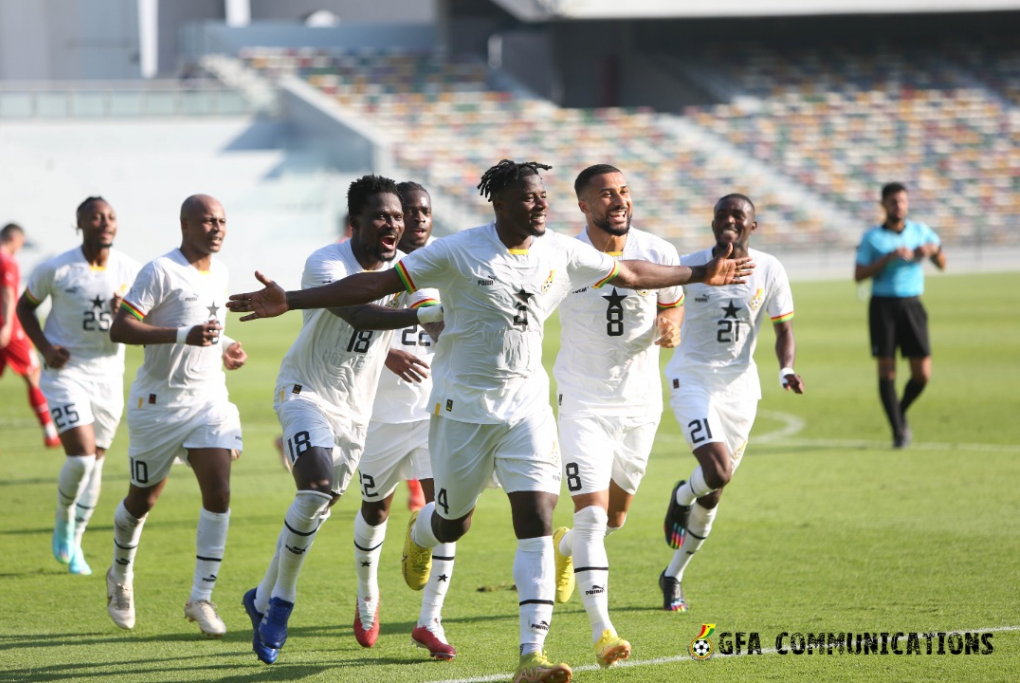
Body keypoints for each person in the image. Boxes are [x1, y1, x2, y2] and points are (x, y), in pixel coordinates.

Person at [228, 159, 754, 683]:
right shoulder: (457, 250)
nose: (541, 204)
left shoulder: (561, 251)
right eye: (529, 197)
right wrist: (291, 300)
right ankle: (423, 532)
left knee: (538, 521)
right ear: (499, 205)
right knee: (454, 521)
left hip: (527, 409)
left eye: (544, 196)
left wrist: (700, 272)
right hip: (462, 411)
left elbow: (635, 273)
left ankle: (533, 655)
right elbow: (374, 287)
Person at [242, 175, 443, 665]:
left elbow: (429, 313)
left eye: (397, 216)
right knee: (312, 488)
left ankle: (261, 596)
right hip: (305, 391)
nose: (393, 223)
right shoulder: (326, 262)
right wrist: (419, 317)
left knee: (318, 509)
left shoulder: (407, 268)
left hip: (357, 411)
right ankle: (282, 605)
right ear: (355, 222)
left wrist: (443, 321)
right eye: (381, 215)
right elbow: (358, 312)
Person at [551, 165, 683, 667]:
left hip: (641, 404)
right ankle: (603, 630)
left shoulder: (659, 252)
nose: (619, 201)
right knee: (591, 516)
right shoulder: (566, 257)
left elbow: (673, 304)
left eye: (624, 191)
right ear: (584, 205)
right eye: (606, 194)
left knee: (616, 518)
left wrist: (669, 325)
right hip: (582, 401)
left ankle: (565, 548)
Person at [105, 194, 248, 637]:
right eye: (209, 221)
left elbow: (209, 326)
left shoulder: (220, 272)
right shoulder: (159, 270)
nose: (218, 228)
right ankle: (120, 575)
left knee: (219, 490)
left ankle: (201, 597)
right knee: (142, 500)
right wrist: (184, 335)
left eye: (222, 221)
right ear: (186, 224)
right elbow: (122, 327)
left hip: (208, 400)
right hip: (158, 404)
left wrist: (226, 347)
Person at [660, 194, 804, 613]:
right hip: (693, 378)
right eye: (721, 214)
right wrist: (664, 327)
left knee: (715, 492)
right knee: (717, 469)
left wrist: (785, 369)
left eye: (738, 216)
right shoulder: (691, 266)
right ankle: (683, 494)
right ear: (713, 222)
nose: (729, 220)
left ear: (752, 226)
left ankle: (673, 575)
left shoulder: (770, 268)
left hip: (740, 388)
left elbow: (783, 329)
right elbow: (659, 306)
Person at [352, 181, 455, 659]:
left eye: (424, 211)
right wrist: (388, 351)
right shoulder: (375, 266)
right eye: (407, 211)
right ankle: (367, 595)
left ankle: (430, 620)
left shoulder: (451, 262)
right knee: (375, 509)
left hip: (436, 413)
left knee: (449, 513)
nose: (416, 219)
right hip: (380, 415)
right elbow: (347, 317)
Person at [16, 198, 141, 575]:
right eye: (96, 216)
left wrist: (129, 311)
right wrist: (44, 347)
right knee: (82, 456)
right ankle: (63, 519)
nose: (105, 222)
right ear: (80, 223)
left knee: (97, 463)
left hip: (108, 376)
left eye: (111, 217)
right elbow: (25, 307)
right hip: (66, 373)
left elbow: (145, 316)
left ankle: (77, 541)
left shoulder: (130, 269)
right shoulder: (57, 268)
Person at [854, 182, 946, 448]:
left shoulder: (920, 231)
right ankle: (898, 431)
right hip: (882, 306)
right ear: (883, 205)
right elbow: (859, 275)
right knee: (887, 370)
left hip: (912, 305)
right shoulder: (873, 237)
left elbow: (942, 264)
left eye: (903, 201)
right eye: (893, 202)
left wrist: (933, 251)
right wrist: (889, 258)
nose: (899, 206)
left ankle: (899, 411)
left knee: (922, 374)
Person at [0, 223, 60, 448]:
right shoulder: (7, 262)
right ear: (14, 239)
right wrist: (5, 326)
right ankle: (50, 433)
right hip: (10, 331)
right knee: (33, 376)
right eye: (22, 242)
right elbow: (7, 294)